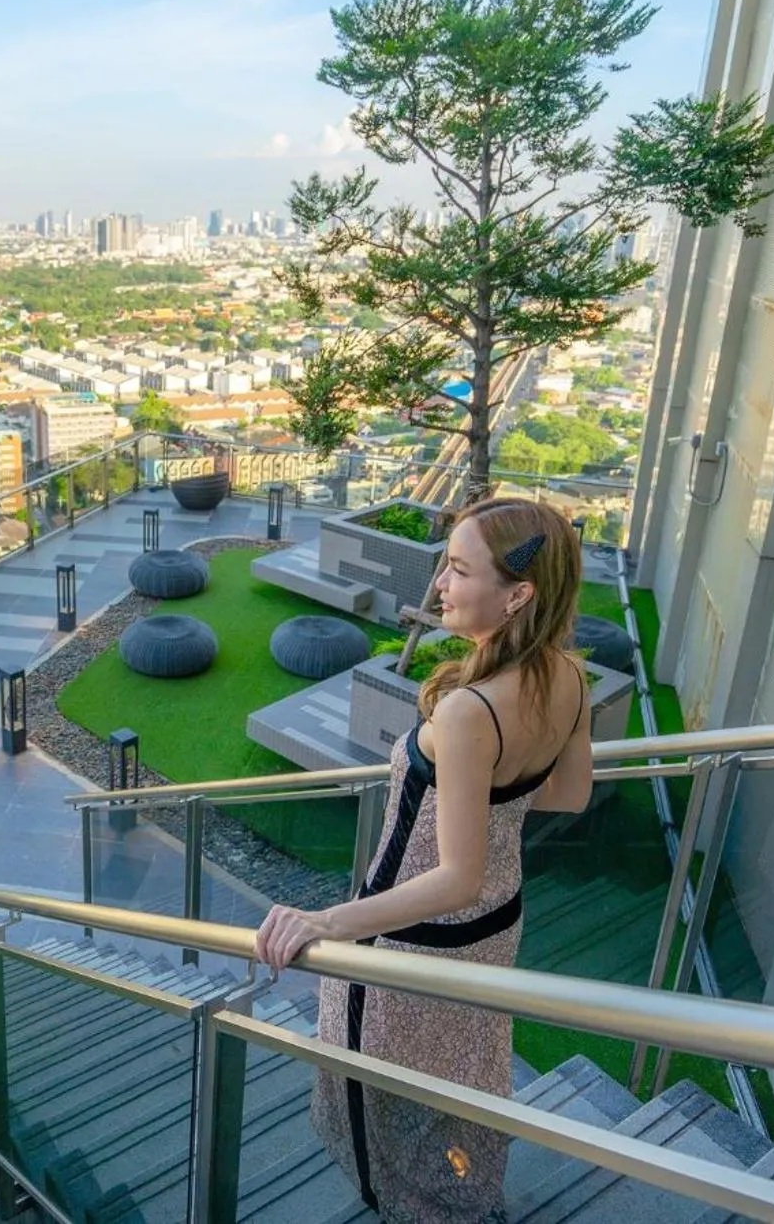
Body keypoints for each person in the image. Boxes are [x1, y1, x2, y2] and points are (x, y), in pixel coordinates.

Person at [254, 497, 595, 1221]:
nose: (440, 581)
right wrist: (485, 802)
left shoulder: (472, 711)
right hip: (496, 925)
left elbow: (453, 875)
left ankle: (415, 1207)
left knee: (381, 1094)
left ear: (519, 593)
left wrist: (328, 919)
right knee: (461, 1078)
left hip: (412, 935)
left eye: (460, 568)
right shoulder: (565, 676)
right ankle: (463, 1198)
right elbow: (568, 793)